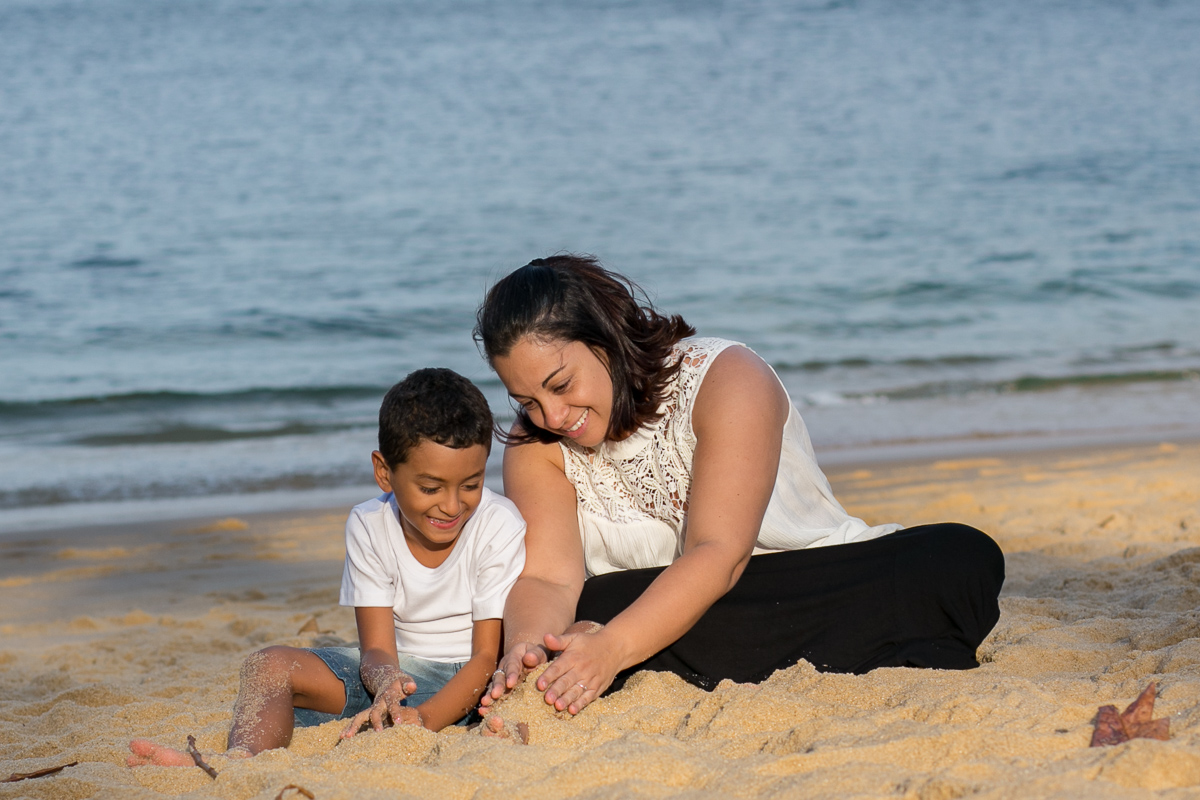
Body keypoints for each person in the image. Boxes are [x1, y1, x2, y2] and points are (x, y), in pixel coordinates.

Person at [473, 254, 1004, 724]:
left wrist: (611, 646)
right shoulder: (535, 441)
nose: (552, 415)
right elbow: (547, 578)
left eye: (561, 385)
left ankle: (634, 654)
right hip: (647, 612)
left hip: (804, 581)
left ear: (605, 341)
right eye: (528, 400)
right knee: (600, 600)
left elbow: (719, 554)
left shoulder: (725, 377)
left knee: (957, 557)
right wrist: (526, 651)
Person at [127, 368, 525, 767]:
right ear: (384, 472)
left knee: (518, 693)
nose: (452, 505)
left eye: (470, 485)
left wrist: (422, 720)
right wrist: (387, 684)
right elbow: (376, 648)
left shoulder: (497, 523)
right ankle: (239, 761)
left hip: (477, 685)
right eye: (430, 488)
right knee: (268, 665)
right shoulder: (369, 524)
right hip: (400, 678)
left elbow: (484, 657)